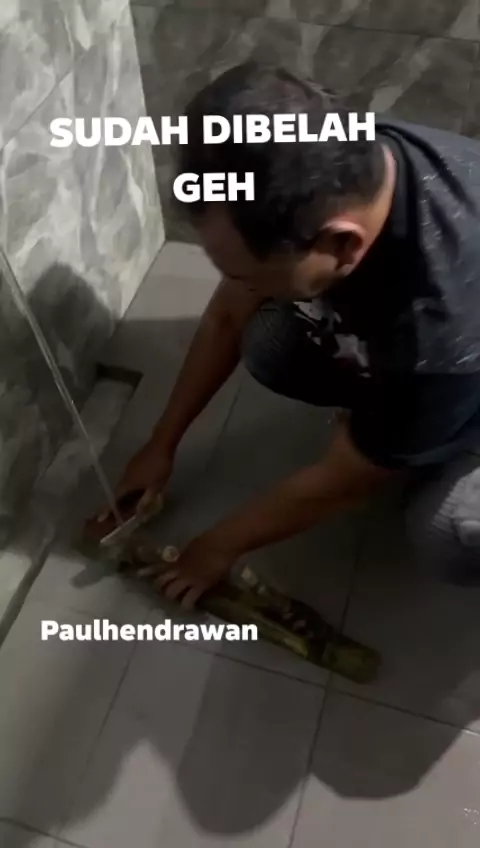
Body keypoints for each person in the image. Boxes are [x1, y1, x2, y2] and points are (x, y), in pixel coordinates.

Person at [99, 62, 480, 608]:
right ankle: (407, 422)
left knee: (447, 533)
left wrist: (216, 547)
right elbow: (228, 316)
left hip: (465, 366)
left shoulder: (437, 334)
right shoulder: (338, 156)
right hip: (431, 359)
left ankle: (437, 440)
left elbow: (346, 481)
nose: (238, 288)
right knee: (271, 342)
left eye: (250, 275)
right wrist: (161, 446)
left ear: (341, 245)